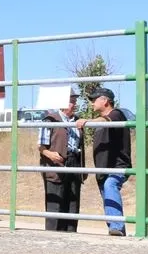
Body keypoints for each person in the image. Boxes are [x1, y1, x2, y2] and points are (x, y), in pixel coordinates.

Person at [77, 87, 131, 236]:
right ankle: (117, 231)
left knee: (110, 185)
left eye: (95, 99)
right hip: (102, 169)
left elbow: (107, 120)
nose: (92, 103)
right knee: (107, 197)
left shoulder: (116, 114)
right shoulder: (99, 122)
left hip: (117, 167)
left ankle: (117, 227)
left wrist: (87, 121)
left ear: (105, 101)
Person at [39, 91, 84, 232]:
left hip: (74, 161)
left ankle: (71, 233)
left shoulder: (78, 121)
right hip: (56, 163)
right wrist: (50, 154)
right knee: (55, 201)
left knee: (73, 201)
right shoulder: (50, 120)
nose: (75, 104)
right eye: (72, 101)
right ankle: (53, 234)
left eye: (75, 101)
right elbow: (41, 146)